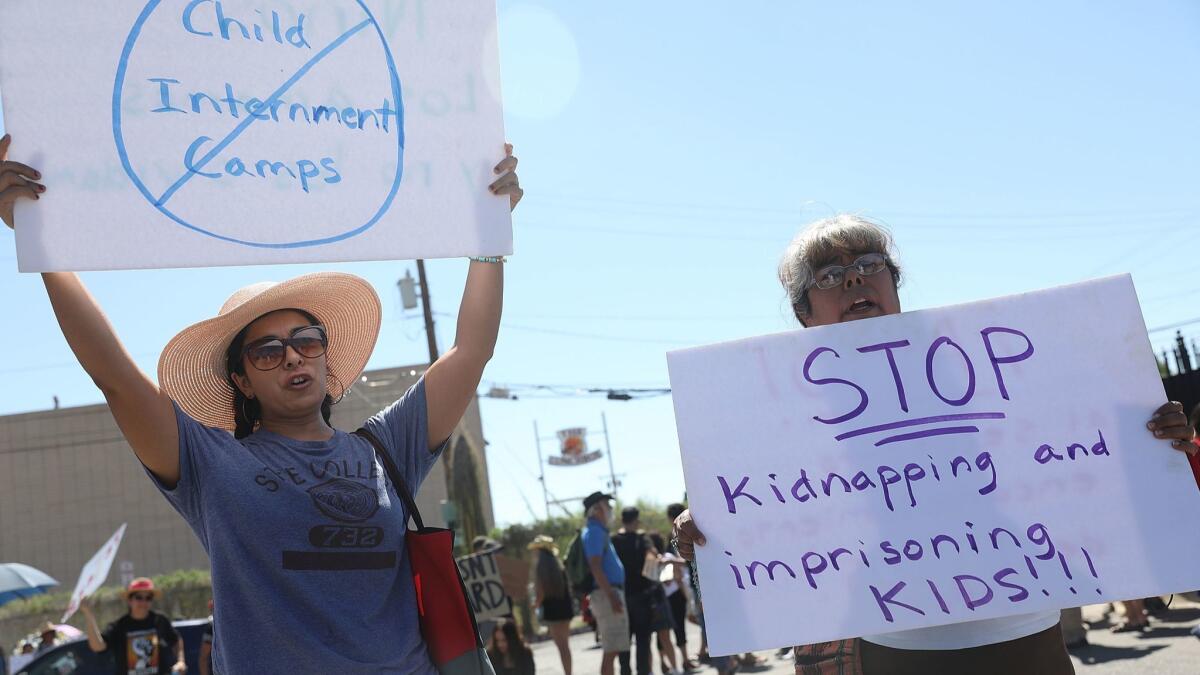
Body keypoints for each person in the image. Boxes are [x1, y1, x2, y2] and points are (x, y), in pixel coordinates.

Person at [0, 133, 523, 673]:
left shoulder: (388, 449)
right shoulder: (209, 463)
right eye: (268, 351)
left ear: (325, 356)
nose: (293, 358)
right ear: (242, 380)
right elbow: (114, 375)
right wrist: (43, 248)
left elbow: (471, 350)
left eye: (307, 340)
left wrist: (489, 231)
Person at [670, 214, 1200, 674]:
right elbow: (758, 505)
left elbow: (1083, 455)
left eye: (871, 262)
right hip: (894, 649)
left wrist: (1157, 440)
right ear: (804, 314)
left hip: (1023, 634)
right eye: (829, 275)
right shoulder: (769, 414)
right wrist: (706, 529)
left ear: (895, 285)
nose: (855, 275)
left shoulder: (983, 361)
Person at [79, 578, 186, 675]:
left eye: (148, 598)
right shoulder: (119, 626)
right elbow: (98, 646)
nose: (143, 602)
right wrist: (89, 615)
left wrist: (180, 661)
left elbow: (176, 640)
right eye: (139, 597)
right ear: (130, 601)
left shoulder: (160, 620)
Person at [611, 507, 669, 675]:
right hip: (642, 596)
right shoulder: (642, 538)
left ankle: (625, 672)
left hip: (621, 596)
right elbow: (653, 554)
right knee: (643, 640)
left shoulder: (613, 540)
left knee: (624, 642)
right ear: (636, 520)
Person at [581, 491, 629, 675]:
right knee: (611, 648)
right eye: (607, 505)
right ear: (597, 509)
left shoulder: (598, 531)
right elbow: (595, 565)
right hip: (606, 595)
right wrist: (611, 596)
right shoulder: (594, 532)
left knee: (613, 648)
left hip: (608, 594)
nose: (610, 509)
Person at [528, 535, 574, 675]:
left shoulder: (540, 568)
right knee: (565, 645)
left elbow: (540, 594)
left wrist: (534, 606)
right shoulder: (558, 566)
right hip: (565, 608)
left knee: (561, 646)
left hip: (552, 611)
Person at [663, 503, 698, 672]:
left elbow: (685, 559)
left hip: (684, 585)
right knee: (683, 623)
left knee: (689, 621)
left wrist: (670, 562)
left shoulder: (681, 531)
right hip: (678, 586)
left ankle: (689, 657)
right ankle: (686, 658)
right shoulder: (677, 532)